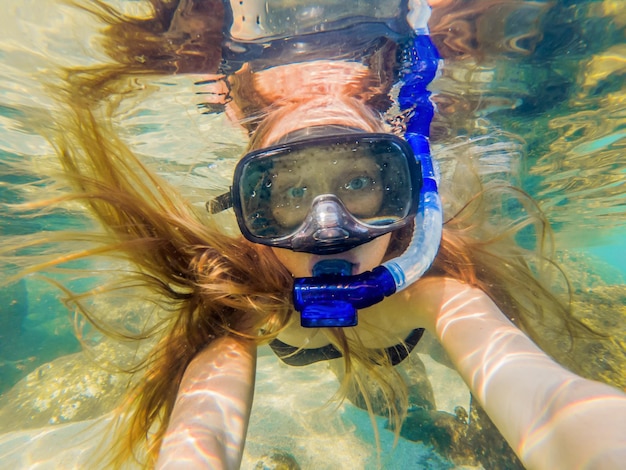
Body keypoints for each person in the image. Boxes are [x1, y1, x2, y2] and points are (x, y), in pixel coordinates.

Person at [4, 0, 625, 469]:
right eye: (290, 194)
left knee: (382, 388)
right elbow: (205, 434)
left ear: (406, 194)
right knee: (367, 390)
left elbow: (546, 400)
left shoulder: (440, 293)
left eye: (360, 183)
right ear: (250, 213)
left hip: (400, 342)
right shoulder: (241, 305)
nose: (330, 231)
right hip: (354, 353)